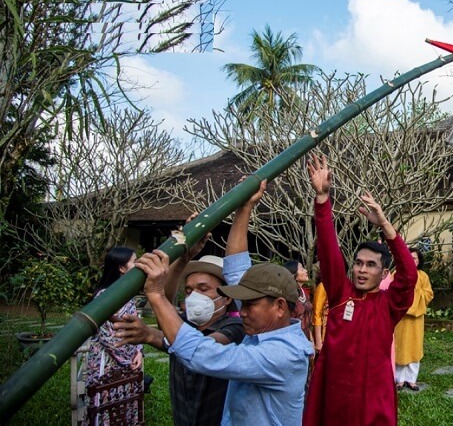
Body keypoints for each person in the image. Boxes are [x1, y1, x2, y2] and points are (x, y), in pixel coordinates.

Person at [138, 180, 314, 425]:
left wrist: (156, 294)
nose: (242, 312)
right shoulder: (266, 327)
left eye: (250, 305)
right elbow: (236, 267)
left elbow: (203, 355)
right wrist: (244, 208)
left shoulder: (281, 354)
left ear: (280, 306)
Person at [303, 154, 417, 426]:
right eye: (358, 263)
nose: (362, 270)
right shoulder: (340, 294)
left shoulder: (390, 305)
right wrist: (322, 199)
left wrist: (385, 226)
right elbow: (328, 251)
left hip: (371, 400)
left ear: (384, 273)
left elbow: (409, 275)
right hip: (333, 395)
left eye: (371, 265)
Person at [113, 245, 245, 426]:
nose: (194, 296)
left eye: (203, 289)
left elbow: (201, 349)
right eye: (189, 291)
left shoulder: (235, 327)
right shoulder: (183, 325)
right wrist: (183, 259)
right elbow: (165, 305)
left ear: (227, 297)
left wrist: (150, 334)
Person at [84, 247, 144, 426]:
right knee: (105, 407)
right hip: (107, 363)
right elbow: (108, 338)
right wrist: (128, 359)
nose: (138, 264)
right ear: (122, 268)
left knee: (125, 407)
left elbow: (135, 328)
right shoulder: (104, 297)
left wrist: (138, 351)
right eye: (134, 261)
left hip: (128, 361)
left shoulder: (127, 294)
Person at [393, 248, 434, 391]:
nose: (411, 261)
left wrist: (415, 292)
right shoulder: (397, 274)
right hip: (400, 318)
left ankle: (411, 380)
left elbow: (428, 294)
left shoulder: (423, 276)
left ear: (419, 261)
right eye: (409, 257)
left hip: (416, 319)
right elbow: (393, 293)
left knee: (414, 348)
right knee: (399, 347)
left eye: (414, 258)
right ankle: (399, 379)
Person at [285, 260, 315, 345]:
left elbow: (307, 318)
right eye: (302, 269)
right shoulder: (288, 296)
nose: (306, 271)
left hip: (306, 338)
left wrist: (311, 340)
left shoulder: (304, 292)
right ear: (294, 275)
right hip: (293, 340)